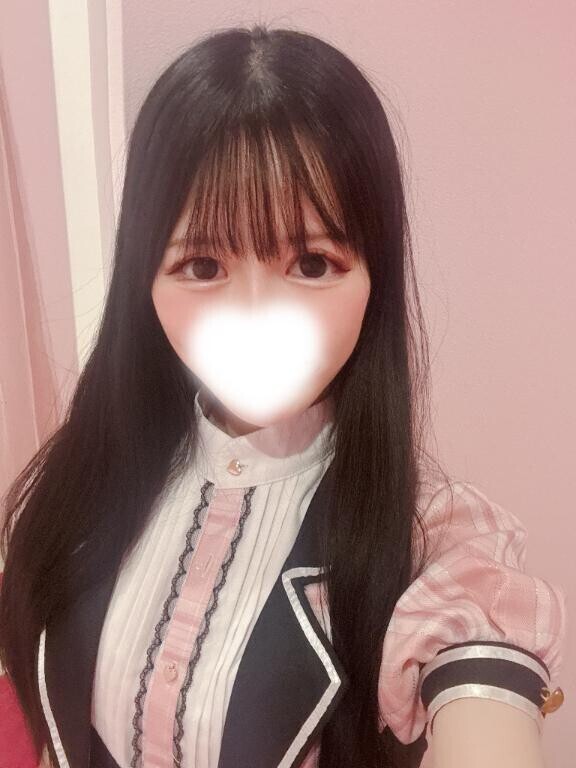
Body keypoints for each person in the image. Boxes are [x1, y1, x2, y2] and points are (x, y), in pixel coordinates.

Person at [0, 23, 566, 768]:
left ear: (375, 278)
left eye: (312, 263)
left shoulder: (430, 536)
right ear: (145, 283)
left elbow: (483, 688)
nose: (256, 316)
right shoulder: (85, 477)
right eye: (203, 265)